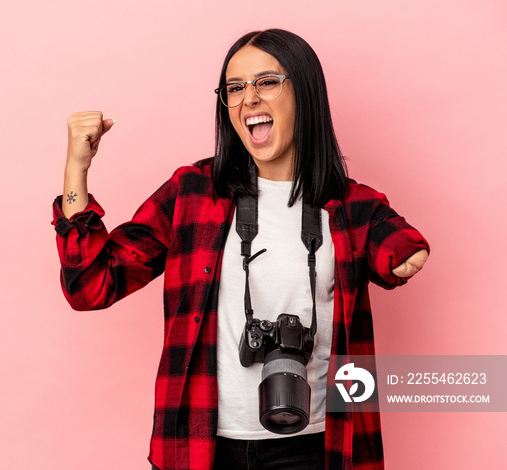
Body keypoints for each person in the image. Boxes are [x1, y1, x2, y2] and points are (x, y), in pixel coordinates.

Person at [52, 29, 429, 470]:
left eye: (266, 82)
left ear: (304, 93)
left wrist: (403, 255)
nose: (248, 98)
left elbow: (400, 245)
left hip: (320, 445)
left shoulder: (353, 206)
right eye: (235, 88)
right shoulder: (192, 193)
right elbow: (91, 287)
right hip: (202, 446)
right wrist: (76, 169)